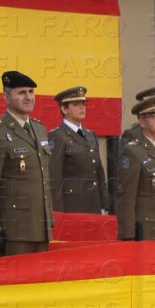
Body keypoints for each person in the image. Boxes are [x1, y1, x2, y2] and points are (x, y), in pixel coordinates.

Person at [0, 70, 54, 255]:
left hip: (42, 227)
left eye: (31, 92)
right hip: (15, 231)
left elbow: (44, 178)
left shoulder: (40, 129)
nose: (28, 97)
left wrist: (50, 218)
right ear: (6, 97)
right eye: (21, 93)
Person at [115, 94, 155, 241]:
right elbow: (126, 198)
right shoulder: (133, 151)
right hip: (147, 232)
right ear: (142, 122)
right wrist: (127, 236)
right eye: (154, 116)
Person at [48, 86, 109, 214]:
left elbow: (99, 172)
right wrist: (58, 212)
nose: (82, 108)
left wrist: (104, 204)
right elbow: (55, 178)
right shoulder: (58, 136)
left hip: (94, 205)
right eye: (76, 104)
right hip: (73, 207)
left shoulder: (90, 134)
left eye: (83, 104)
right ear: (64, 109)